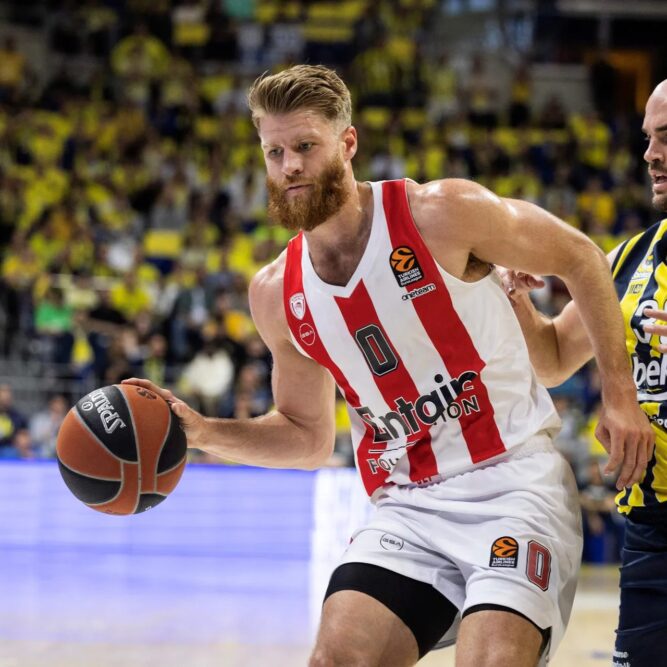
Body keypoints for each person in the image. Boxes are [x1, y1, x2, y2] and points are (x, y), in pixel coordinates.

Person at [124, 65, 653, 667]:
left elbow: (582, 257)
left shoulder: (441, 212)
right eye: (274, 152)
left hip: (515, 485)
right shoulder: (276, 292)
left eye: (305, 146)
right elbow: (306, 437)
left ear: (347, 145)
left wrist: (618, 394)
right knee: (335, 660)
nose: (289, 166)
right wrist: (202, 433)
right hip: (408, 505)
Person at [501, 79, 667, 667]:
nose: (650, 154)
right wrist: (515, 296)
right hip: (653, 529)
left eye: (666, 137)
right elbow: (550, 359)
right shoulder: (627, 260)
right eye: (649, 138)